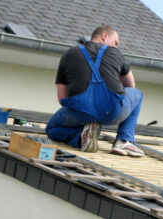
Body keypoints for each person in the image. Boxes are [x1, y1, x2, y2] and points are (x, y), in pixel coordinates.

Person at [46, 25, 144, 157]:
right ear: (104, 36)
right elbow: (131, 87)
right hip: (112, 111)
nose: (116, 47)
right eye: (115, 42)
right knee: (138, 94)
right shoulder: (116, 53)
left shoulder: (69, 54)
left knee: (51, 129)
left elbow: (62, 98)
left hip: (80, 112)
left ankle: (81, 137)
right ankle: (123, 140)